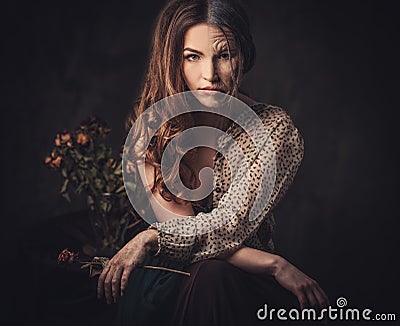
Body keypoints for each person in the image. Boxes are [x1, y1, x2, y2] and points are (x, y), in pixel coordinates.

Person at [97, 0, 329, 325]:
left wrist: (152, 238)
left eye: (224, 55)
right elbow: (189, 245)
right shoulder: (152, 130)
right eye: (193, 56)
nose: (210, 75)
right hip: (169, 277)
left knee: (213, 276)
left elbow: (226, 229)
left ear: (243, 55)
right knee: (206, 273)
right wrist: (276, 265)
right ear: (173, 60)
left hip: (240, 285)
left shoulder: (272, 130)